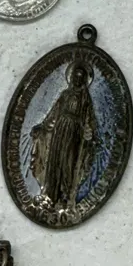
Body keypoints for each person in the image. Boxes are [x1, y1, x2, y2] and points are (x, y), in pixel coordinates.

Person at [30, 61, 98, 207]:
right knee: (55, 159)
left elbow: (90, 118)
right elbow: (54, 112)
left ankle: (65, 195)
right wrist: (43, 126)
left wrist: (92, 133)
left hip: (74, 133)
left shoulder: (85, 98)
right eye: (75, 76)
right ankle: (50, 194)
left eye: (80, 77)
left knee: (68, 162)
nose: (77, 80)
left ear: (84, 80)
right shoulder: (65, 94)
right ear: (71, 78)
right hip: (59, 130)